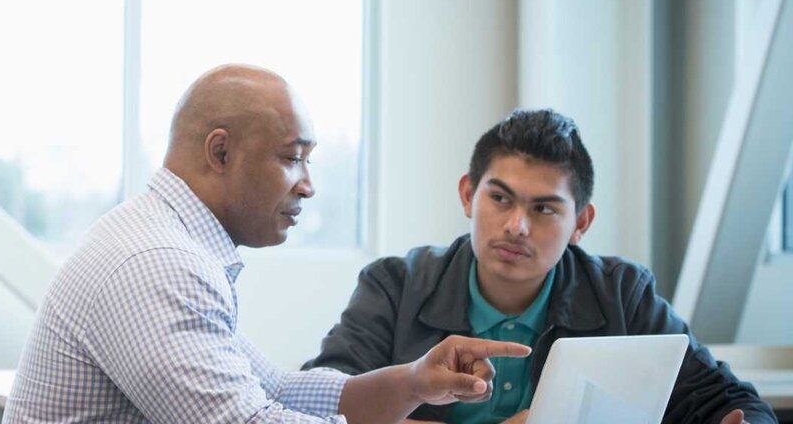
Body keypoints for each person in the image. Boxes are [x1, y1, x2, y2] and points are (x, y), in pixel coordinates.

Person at [3, 64, 532, 424]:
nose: (307, 183)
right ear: (221, 152)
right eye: (291, 157)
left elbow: (275, 390)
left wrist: (415, 384)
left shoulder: (169, 241)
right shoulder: (157, 264)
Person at [306, 109, 774, 424]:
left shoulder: (622, 294)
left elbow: (733, 401)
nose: (516, 227)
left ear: (581, 222)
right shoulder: (395, 285)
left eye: (544, 209)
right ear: (469, 194)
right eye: (500, 198)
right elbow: (313, 409)